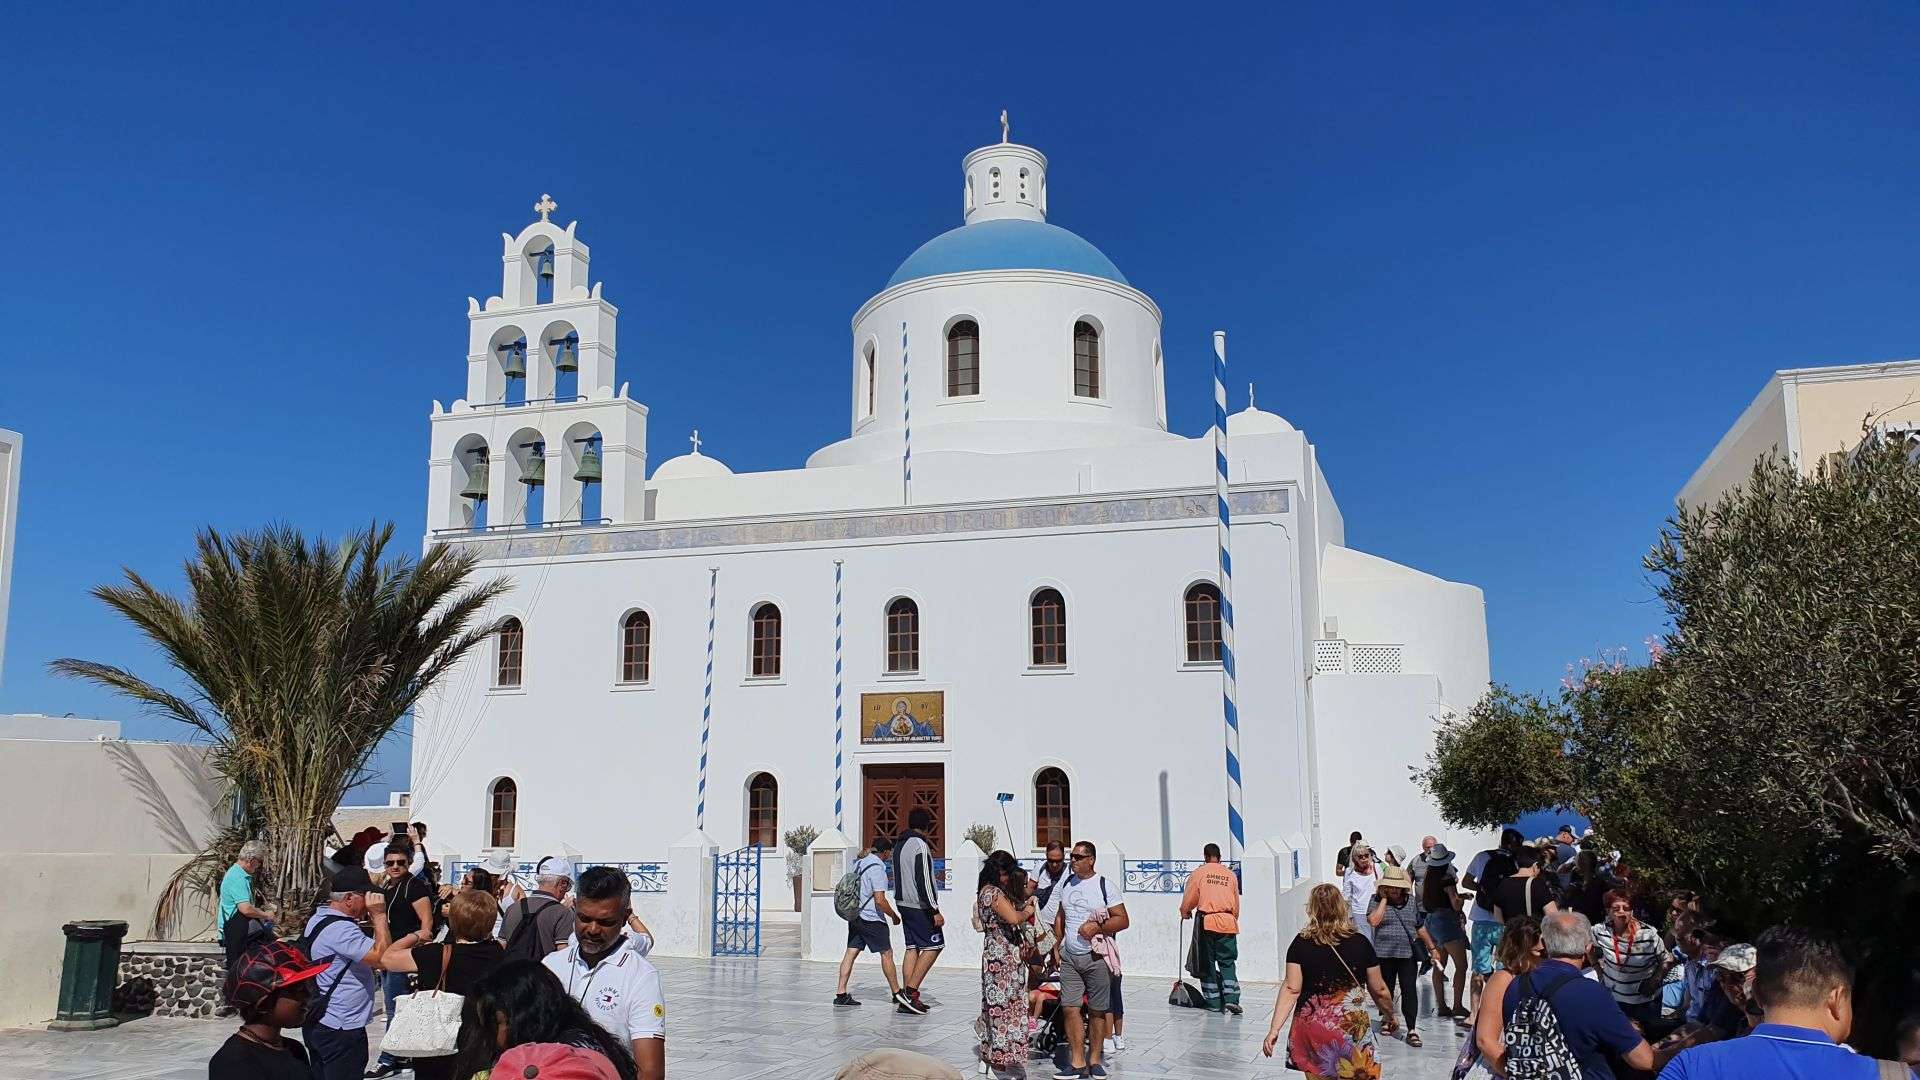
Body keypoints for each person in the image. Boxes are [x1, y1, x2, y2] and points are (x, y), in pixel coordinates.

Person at [1658, 928, 1898, 1080]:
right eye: (1722, 977)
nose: (1730, 986)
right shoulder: (1892, 1076)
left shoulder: (1690, 1067)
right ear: (1837, 999)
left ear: (1757, 991)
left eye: (1738, 976)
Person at [1485, 910, 1654, 1079]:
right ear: (1588, 947)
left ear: (1544, 943)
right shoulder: (1592, 992)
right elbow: (1643, 1060)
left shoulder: (1516, 985)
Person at [1260, 883, 1397, 1077]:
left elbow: (1291, 989)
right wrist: (1390, 1015)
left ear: (1312, 909)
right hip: (1349, 1029)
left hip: (1312, 1030)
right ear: (1342, 907)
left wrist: (1274, 1030)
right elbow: (1379, 990)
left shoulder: (1300, 943)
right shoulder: (1360, 943)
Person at [541, 866, 665, 1080]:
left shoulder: (641, 977)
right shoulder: (551, 965)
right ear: (574, 908)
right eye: (584, 918)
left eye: (605, 922)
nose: (593, 929)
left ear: (624, 917)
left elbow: (650, 1072)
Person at [378, 887, 506, 1080]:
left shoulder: (436, 954)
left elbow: (388, 959)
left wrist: (416, 935)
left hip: (438, 1046)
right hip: (483, 1045)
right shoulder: (499, 953)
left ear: (453, 920)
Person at [448, 960, 639, 1080]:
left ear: (525, 1019)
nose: (491, 1038)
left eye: (495, 1024)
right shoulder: (582, 1038)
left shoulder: (563, 1063)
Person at [300, 866, 392, 1080]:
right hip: (341, 1026)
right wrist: (379, 916)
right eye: (365, 895)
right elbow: (383, 959)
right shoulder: (341, 929)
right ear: (349, 898)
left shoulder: (320, 918)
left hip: (322, 1020)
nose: (369, 901)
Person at [1051, 840, 1127, 1080]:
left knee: (1097, 1011)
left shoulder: (1105, 886)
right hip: (1070, 957)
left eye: (1078, 857)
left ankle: (1094, 1060)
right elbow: (1061, 916)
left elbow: (1122, 919)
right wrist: (1056, 945)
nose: (1072, 860)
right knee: (1070, 1008)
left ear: (1091, 860)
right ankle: (1076, 1061)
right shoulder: (1066, 883)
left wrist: (1097, 927)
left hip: (1096, 958)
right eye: (1071, 856)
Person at [210, 939, 329, 1079]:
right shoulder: (233, 1063)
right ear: (263, 1003)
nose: (307, 995)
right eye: (297, 990)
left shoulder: (294, 1049)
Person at [366, 840, 435, 1079]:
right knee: (397, 1007)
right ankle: (402, 1057)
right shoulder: (390, 886)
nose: (395, 866)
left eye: (400, 862)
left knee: (396, 1008)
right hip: (389, 955)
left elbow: (427, 925)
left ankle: (387, 1059)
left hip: (403, 956)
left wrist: (412, 947)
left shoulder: (414, 887)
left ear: (409, 862)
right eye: (390, 863)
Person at [974, 850, 1033, 1079]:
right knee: (1002, 1010)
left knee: (1000, 1007)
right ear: (1000, 871)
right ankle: (998, 1065)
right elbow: (1014, 918)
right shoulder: (993, 893)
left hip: (998, 955)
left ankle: (996, 1058)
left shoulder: (985, 891)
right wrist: (1028, 909)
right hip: (1002, 959)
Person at [1367, 862, 1438, 1048]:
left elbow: (1419, 926)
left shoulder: (1411, 902)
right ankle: (1387, 1018)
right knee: (1386, 989)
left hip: (1407, 954)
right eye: (1390, 887)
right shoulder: (1375, 900)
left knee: (1409, 990)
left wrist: (1432, 948)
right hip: (1383, 953)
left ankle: (1412, 1029)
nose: (1395, 890)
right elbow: (1373, 921)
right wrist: (1384, 900)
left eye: (1397, 887)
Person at [835, 835, 909, 1009]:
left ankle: (841, 993)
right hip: (871, 918)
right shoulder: (877, 868)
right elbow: (880, 900)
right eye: (889, 853)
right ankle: (897, 993)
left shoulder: (859, 863)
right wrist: (894, 916)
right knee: (886, 953)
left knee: (851, 952)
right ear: (885, 852)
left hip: (855, 915)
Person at [1472, 915, 1546, 1067]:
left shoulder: (1540, 976)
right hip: (1504, 1064)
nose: (1544, 954)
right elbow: (1485, 1040)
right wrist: (1512, 1072)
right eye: (1539, 950)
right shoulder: (1502, 979)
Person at [1178, 842, 1242, 1014]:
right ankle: (1232, 999)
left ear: (1205, 857)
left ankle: (1213, 1002)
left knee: (1206, 963)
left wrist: (1185, 911)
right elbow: (1236, 903)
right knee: (1227, 962)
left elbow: (1191, 896)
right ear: (1220, 857)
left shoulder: (1199, 873)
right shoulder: (1230, 875)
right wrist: (1233, 919)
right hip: (1228, 923)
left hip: (1207, 923)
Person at [1463, 828, 1525, 1003]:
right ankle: (1499, 1006)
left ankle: (1474, 1012)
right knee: (1504, 967)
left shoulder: (1482, 856)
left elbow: (1466, 882)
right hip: (1505, 919)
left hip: (1481, 917)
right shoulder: (1517, 862)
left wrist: (1483, 890)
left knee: (1478, 967)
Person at [1592, 888, 1670, 1028]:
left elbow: (1667, 959)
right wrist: (1597, 969)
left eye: (1626, 908)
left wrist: (1655, 980)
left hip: (1645, 1002)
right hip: (1615, 999)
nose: (1622, 912)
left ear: (1632, 911)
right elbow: (1588, 947)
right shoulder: (1600, 932)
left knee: (1649, 1036)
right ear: (1608, 911)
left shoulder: (1648, 935)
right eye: (1616, 908)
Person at [894, 807, 945, 1013]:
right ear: (927, 826)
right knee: (935, 945)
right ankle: (910, 992)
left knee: (912, 947)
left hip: (902, 902)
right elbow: (923, 879)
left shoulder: (899, 844)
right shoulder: (920, 845)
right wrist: (934, 909)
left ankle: (907, 998)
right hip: (919, 905)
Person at [1420, 843, 1470, 1022]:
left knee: (1439, 965)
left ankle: (1441, 1005)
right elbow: (1455, 904)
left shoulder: (1428, 876)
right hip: (1447, 922)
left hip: (1432, 922)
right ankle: (1457, 1005)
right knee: (1461, 966)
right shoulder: (1447, 878)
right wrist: (1463, 900)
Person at [501, 856, 577, 960]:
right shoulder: (562, 913)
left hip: (511, 968)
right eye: (567, 886)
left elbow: (501, 946)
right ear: (562, 884)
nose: (566, 891)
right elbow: (563, 954)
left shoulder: (512, 908)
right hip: (542, 969)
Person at [221, 841, 273, 967]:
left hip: (237, 928)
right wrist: (266, 915)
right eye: (259, 861)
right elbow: (246, 909)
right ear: (252, 860)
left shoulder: (237, 873)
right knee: (239, 969)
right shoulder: (238, 877)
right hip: (236, 930)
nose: (259, 865)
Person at [1492, 845, 1561, 924]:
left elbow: (1497, 917)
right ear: (1535, 865)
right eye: (1540, 867)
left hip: (1509, 930)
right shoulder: (1537, 884)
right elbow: (1553, 916)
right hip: (1532, 930)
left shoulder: (1503, 883)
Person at [1341, 842, 1381, 944]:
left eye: (1366, 855)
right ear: (1354, 858)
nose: (1364, 858)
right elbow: (1346, 895)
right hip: (1359, 913)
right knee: (1364, 941)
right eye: (1360, 856)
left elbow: (1382, 888)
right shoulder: (1349, 872)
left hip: (1375, 910)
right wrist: (1345, 915)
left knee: (1377, 941)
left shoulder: (1376, 868)